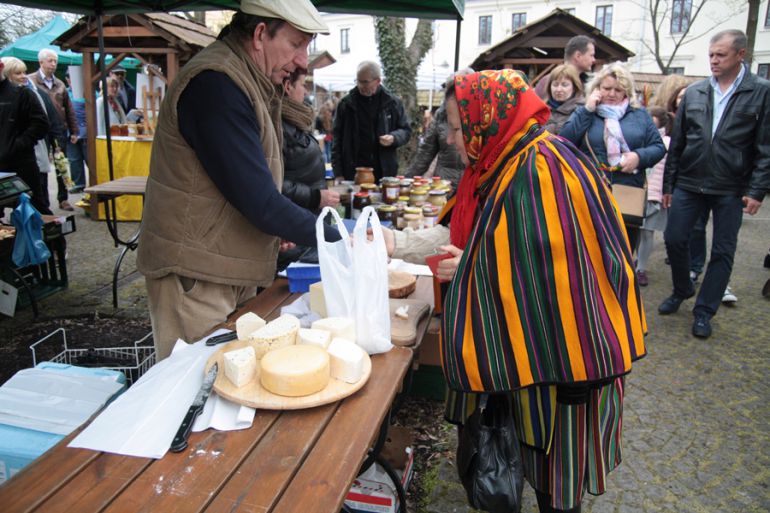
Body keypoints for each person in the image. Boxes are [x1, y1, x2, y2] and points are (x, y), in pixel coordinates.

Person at [383, 69, 646, 513]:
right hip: (536, 359)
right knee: (532, 459)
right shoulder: (508, 160)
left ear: (489, 119)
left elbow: (563, 275)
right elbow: (512, 246)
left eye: (458, 127)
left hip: (565, 368)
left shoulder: (543, 168)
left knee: (555, 481)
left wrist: (470, 267)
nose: (450, 139)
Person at [136, 0, 339, 360]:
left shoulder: (248, 80)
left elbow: (243, 182)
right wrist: (339, 237)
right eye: (297, 44)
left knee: (230, 384)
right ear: (260, 34)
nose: (303, 61)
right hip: (196, 276)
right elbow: (260, 201)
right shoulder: (216, 85)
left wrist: (275, 230)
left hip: (223, 267)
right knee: (196, 387)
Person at [660, 29, 769, 339]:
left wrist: (757, 190)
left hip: (731, 186)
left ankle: (704, 311)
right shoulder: (695, 92)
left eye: (720, 54)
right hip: (689, 181)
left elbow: (765, 146)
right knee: (674, 238)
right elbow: (678, 142)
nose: (714, 60)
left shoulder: (761, 92)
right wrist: (669, 184)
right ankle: (683, 287)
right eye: (711, 54)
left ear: (740, 55)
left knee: (723, 251)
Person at [560, 62, 666, 252]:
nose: (612, 93)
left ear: (627, 91)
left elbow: (658, 147)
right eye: (607, 88)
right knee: (587, 249)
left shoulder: (639, 115)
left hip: (627, 190)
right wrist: (587, 110)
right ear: (597, 88)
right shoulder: (585, 112)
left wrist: (639, 157)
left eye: (618, 89)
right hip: (590, 189)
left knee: (622, 248)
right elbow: (564, 141)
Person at [278, 68, 340, 269]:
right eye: (303, 84)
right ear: (288, 87)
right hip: (292, 237)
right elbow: (271, 182)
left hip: (305, 226)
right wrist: (315, 196)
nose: (306, 92)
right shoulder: (277, 126)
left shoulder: (294, 120)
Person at [331, 60, 412, 181]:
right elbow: (337, 139)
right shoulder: (346, 104)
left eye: (364, 82)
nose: (360, 86)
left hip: (384, 172)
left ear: (378, 81)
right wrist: (338, 173)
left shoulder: (393, 103)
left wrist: (394, 138)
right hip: (353, 172)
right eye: (358, 81)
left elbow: (406, 131)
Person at [403, 68, 474, 186]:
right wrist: (405, 181)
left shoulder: (483, 117)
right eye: (450, 90)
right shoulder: (441, 115)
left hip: (472, 186)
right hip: (443, 186)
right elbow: (425, 153)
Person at [27, 48, 77, 212]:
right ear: (41, 62)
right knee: (41, 165)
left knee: (61, 163)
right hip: (39, 130)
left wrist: (74, 130)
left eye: (55, 61)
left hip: (58, 128)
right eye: (50, 60)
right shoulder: (30, 82)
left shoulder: (60, 84)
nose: (54, 64)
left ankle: (63, 198)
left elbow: (68, 108)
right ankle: (43, 201)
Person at [0, 58, 50, 215]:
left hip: (21, 164)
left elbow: (41, 125)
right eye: (18, 72)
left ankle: (51, 240)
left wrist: (19, 145)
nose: (23, 76)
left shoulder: (23, 94)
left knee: (35, 209)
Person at [635, 106, 671, 286]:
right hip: (637, 192)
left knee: (648, 233)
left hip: (654, 195)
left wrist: (666, 191)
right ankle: (636, 261)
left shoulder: (666, 143)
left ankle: (641, 268)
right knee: (636, 232)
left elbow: (669, 170)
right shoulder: (639, 137)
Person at [542, 64, 585, 134]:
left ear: (574, 87)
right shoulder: (541, 109)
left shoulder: (582, 111)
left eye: (564, 85)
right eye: (555, 85)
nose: (559, 89)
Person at [314, 99, 334, 163]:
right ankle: (329, 165)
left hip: (322, 137)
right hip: (329, 137)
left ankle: (326, 165)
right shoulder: (331, 118)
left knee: (324, 152)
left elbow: (316, 128)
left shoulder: (319, 118)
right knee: (329, 152)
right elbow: (332, 129)